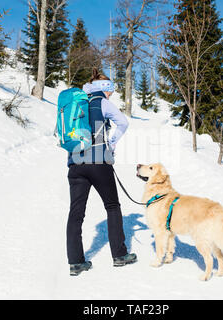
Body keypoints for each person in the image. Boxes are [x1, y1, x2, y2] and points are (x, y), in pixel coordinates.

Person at [66, 68, 137, 276]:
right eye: (111, 92)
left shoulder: (76, 102)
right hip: (98, 161)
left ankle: (76, 262)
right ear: (105, 90)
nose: (111, 95)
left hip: (75, 162)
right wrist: (111, 144)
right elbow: (123, 123)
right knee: (112, 206)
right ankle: (119, 255)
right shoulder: (102, 103)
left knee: (76, 213)